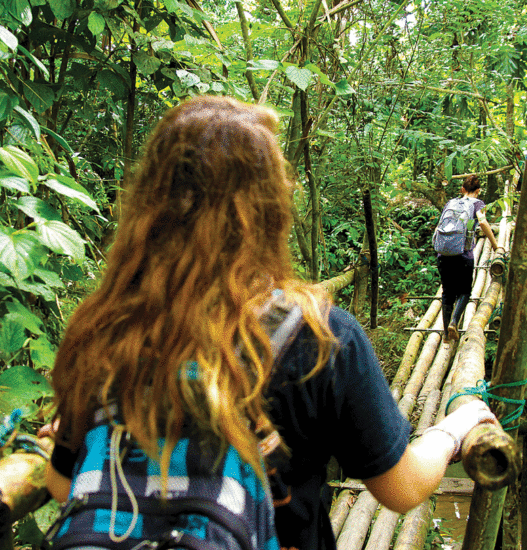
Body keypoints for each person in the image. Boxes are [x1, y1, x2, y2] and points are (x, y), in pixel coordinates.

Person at [42, 96, 498, 550]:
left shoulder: (104, 329)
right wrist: (451, 430)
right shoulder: (320, 337)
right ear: (270, 207)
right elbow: (403, 489)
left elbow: (66, 487)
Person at [436, 175, 502, 339]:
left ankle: (446, 334)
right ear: (478, 191)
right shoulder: (478, 204)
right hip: (463, 255)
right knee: (465, 291)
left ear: (462, 189)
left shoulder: (450, 203)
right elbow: (483, 223)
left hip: (443, 253)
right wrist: (495, 245)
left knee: (447, 293)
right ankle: (454, 322)